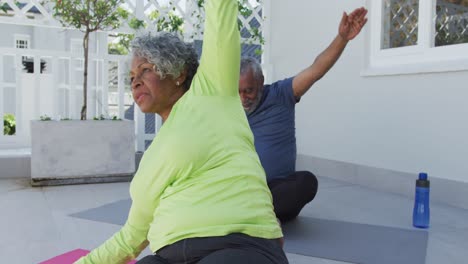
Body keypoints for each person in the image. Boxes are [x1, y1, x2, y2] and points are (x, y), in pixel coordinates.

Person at [76, 0, 287, 263]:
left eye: (145, 70)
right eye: (131, 77)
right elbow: (130, 237)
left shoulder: (212, 92)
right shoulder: (151, 157)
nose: (135, 81)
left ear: (178, 72)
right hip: (167, 256)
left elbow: (221, 9)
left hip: (238, 245)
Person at [239, 7, 368, 223]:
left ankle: (253, 214)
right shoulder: (229, 106)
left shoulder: (282, 94)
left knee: (306, 183)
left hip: (277, 190)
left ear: (261, 82)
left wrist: (342, 38)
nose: (243, 98)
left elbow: (316, 69)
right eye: (238, 92)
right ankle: (253, 213)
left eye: (249, 90)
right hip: (243, 189)